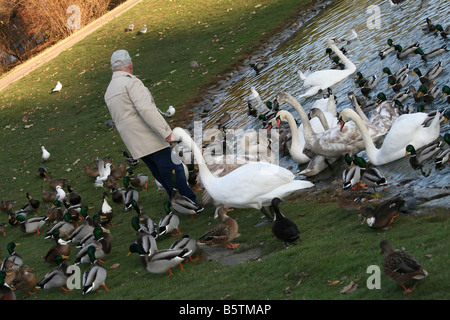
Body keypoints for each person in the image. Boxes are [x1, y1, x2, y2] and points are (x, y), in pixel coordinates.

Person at [104, 49, 201, 211]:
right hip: (148, 136)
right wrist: (166, 132)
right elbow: (146, 110)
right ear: (129, 64)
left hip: (133, 142)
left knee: (159, 172)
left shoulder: (109, 91)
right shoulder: (131, 83)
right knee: (174, 168)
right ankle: (192, 202)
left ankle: (177, 201)